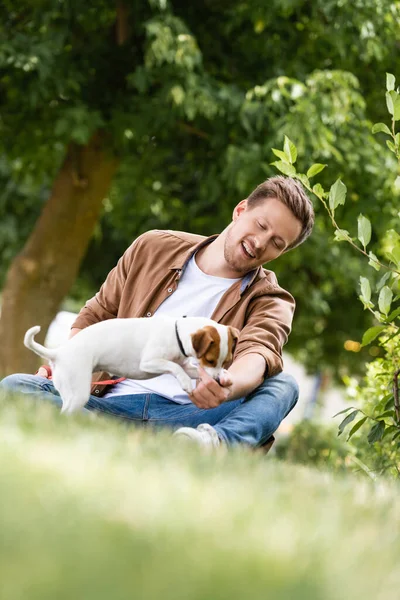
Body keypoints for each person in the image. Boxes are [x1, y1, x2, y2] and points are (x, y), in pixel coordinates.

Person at [0, 175, 314, 449]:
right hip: (108, 400)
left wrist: (226, 385)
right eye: (260, 225)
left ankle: (211, 444)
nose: (260, 243)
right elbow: (96, 315)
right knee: (14, 386)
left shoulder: (272, 299)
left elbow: (258, 355)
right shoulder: (153, 247)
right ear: (240, 210)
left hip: (189, 418)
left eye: (276, 243)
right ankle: (110, 428)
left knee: (283, 386)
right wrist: (66, 365)